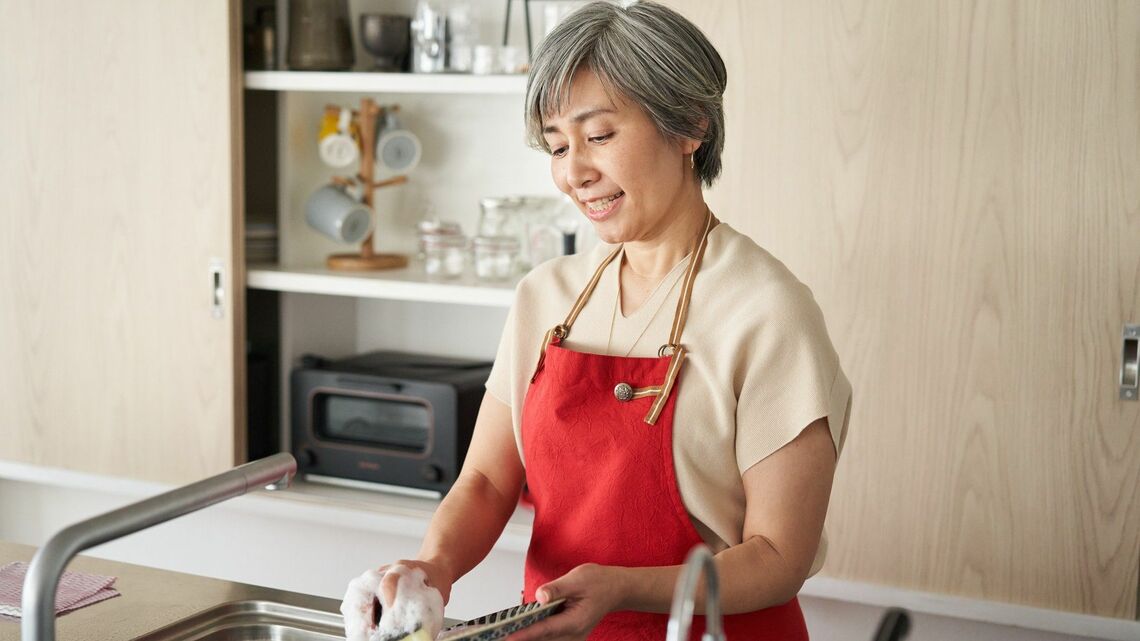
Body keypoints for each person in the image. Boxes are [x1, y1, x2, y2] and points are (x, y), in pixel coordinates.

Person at [372, 2, 852, 640]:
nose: (574, 172)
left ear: (689, 125)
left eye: (599, 136)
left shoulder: (766, 310)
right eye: (557, 146)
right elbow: (487, 480)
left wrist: (625, 587)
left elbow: (778, 556)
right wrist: (433, 567)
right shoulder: (546, 297)